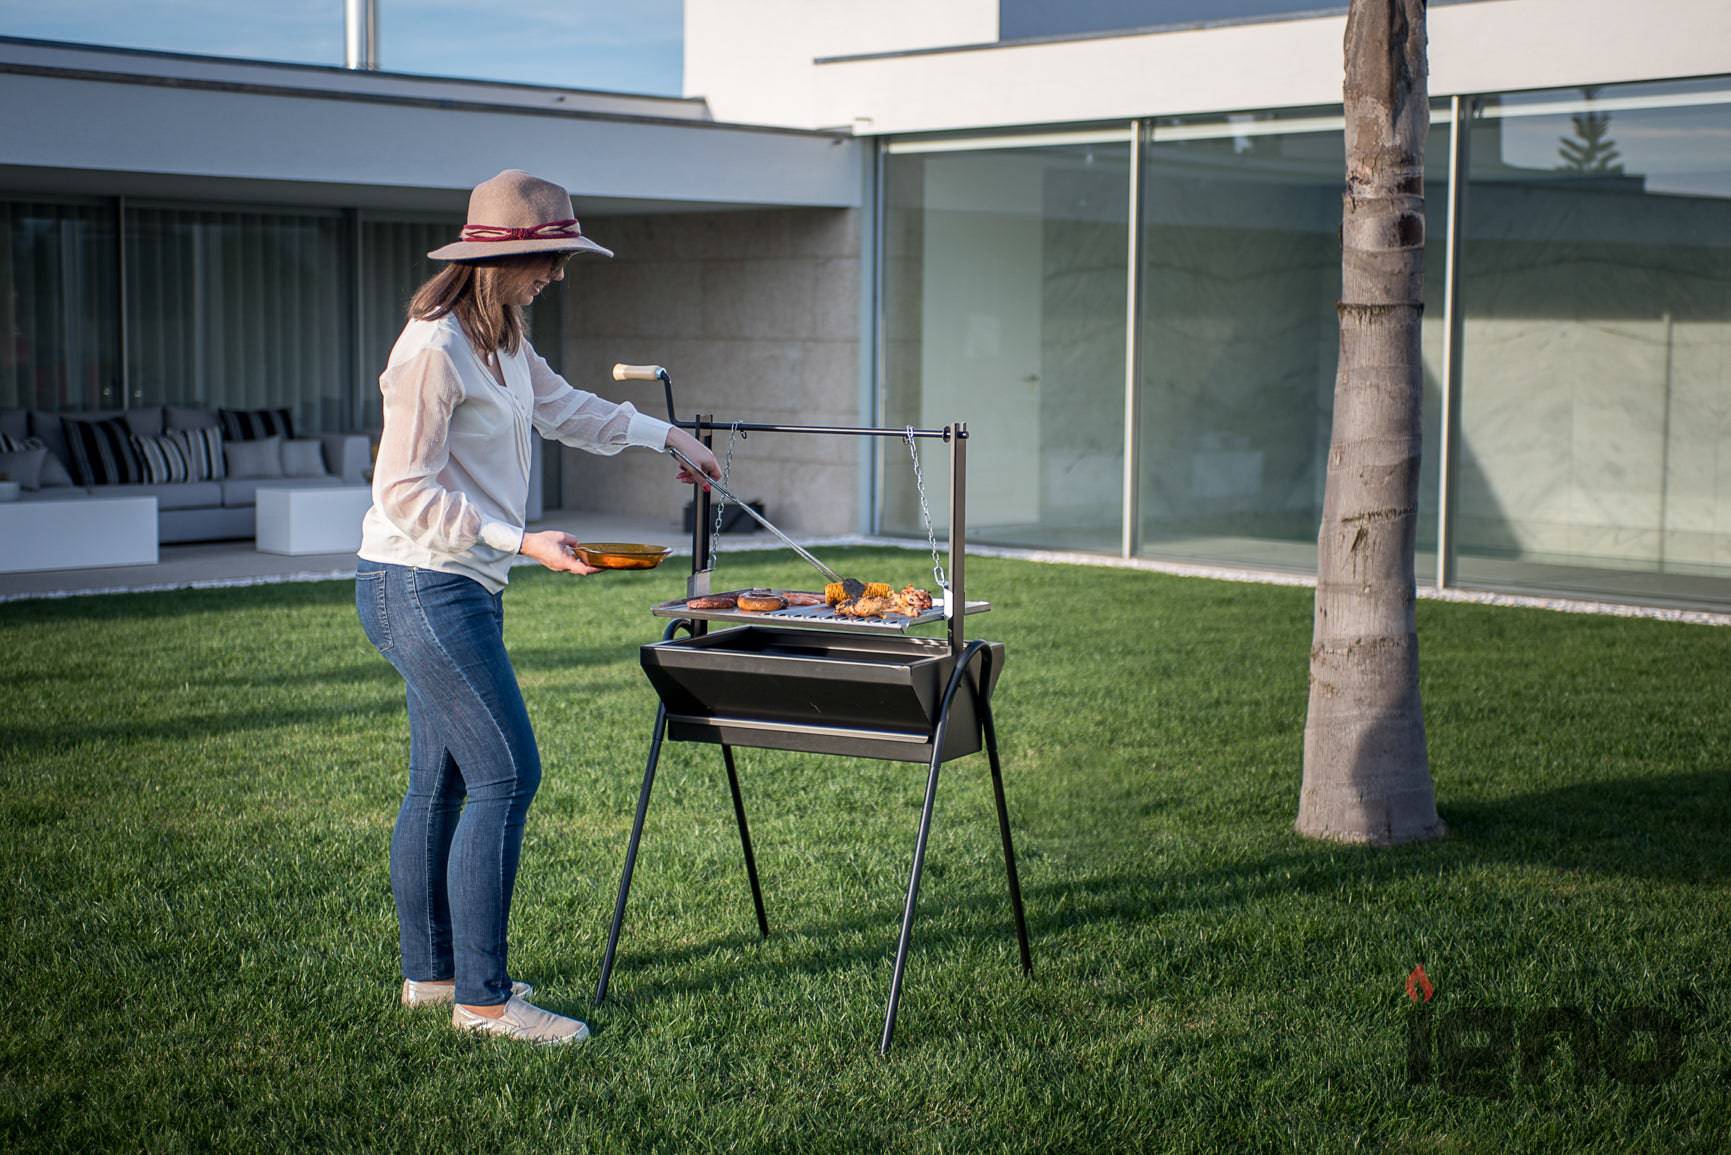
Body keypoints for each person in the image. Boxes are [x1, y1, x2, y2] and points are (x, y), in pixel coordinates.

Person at [354, 169, 720, 1045]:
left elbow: (566, 411)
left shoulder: (503, 340)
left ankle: (432, 976)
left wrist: (665, 434)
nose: (559, 274)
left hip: (458, 582)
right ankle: (485, 999)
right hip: (419, 581)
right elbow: (401, 491)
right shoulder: (431, 350)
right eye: (551, 259)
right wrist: (522, 540)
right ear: (507, 256)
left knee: (439, 782)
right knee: (507, 773)